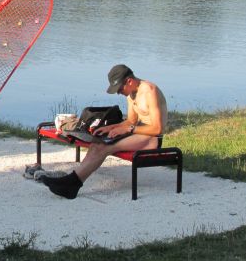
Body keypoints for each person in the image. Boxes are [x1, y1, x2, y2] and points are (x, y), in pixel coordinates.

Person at [37, 64, 168, 199]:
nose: (118, 92)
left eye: (119, 89)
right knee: (97, 143)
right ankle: (72, 180)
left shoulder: (149, 91)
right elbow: (131, 121)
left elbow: (157, 128)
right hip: (137, 134)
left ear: (129, 81)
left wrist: (128, 129)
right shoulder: (131, 93)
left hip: (152, 138)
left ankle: (72, 183)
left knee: (107, 147)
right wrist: (110, 128)